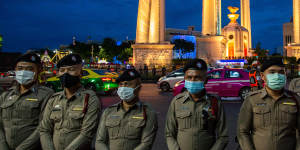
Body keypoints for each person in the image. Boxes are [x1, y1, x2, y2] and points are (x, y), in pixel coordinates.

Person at [39, 54, 101, 150]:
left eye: (71, 70)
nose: (65, 74)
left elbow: (87, 134)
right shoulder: (54, 99)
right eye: (62, 70)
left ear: (80, 73)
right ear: (58, 74)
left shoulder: (90, 99)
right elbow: (44, 130)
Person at [237, 57, 300, 150]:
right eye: (272, 72)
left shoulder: (295, 99)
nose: (277, 76)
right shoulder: (252, 100)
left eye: (281, 72)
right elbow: (242, 131)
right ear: (262, 76)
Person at [165, 59, 228, 150]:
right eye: (189, 77)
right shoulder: (177, 102)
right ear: (185, 79)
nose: (193, 80)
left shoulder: (214, 102)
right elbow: (169, 134)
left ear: (205, 80)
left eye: (197, 77)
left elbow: (223, 137)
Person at [0, 52, 54, 150]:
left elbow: (43, 128)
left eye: (30, 69)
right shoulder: (6, 95)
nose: (24, 72)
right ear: (15, 70)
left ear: (38, 71)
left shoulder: (46, 95)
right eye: (20, 68)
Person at [95, 69, 158, 150]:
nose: (123, 87)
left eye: (128, 84)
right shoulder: (109, 111)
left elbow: (146, 144)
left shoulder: (148, 112)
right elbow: (99, 141)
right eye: (121, 84)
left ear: (138, 88)